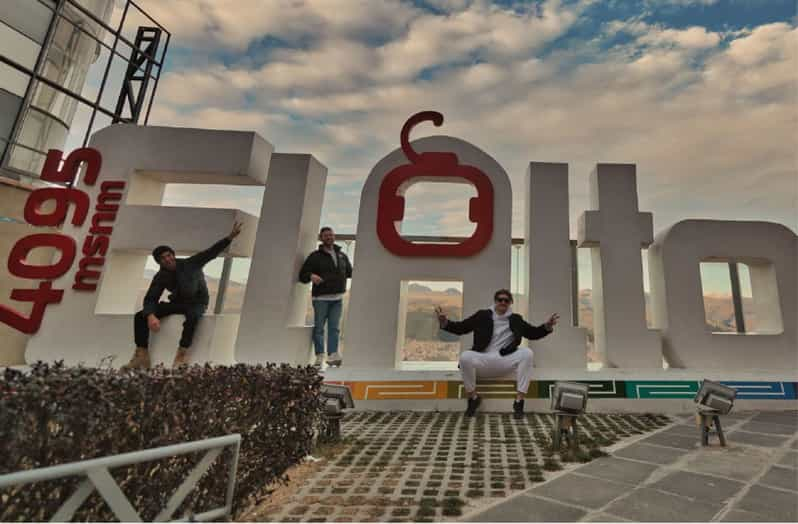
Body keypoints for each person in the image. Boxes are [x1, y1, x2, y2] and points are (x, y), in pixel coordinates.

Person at [124, 221, 243, 369]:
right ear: (159, 262)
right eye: (162, 258)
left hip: (197, 302)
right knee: (140, 316)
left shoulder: (191, 263)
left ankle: (182, 354)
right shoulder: (161, 276)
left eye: (168, 255)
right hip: (178, 302)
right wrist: (150, 315)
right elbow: (151, 298)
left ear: (173, 255)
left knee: (193, 317)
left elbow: (210, 253)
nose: (167, 259)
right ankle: (141, 355)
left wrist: (229, 238)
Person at [435, 289, 559, 418]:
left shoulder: (516, 319)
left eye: (506, 300)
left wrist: (547, 326)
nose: (503, 302)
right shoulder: (482, 315)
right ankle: (473, 398)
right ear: (495, 301)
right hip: (483, 359)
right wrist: (445, 323)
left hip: (504, 360)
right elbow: (462, 328)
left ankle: (519, 401)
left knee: (527, 353)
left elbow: (533, 333)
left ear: (510, 302)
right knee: (465, 356)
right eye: (500, 299)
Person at [299, 227, 353, 367]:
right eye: (326, 235)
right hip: (321, 299)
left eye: (331, 235)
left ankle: (332, 355)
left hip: (337, 299)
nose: (329, 237)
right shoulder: (315, 256)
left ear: (334, 237)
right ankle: (319, 356)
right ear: (321, 238)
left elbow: (350, 272)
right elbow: (303, 274)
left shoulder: (342, 255)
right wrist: (312, 275)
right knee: (319, 329)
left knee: (334, 328)